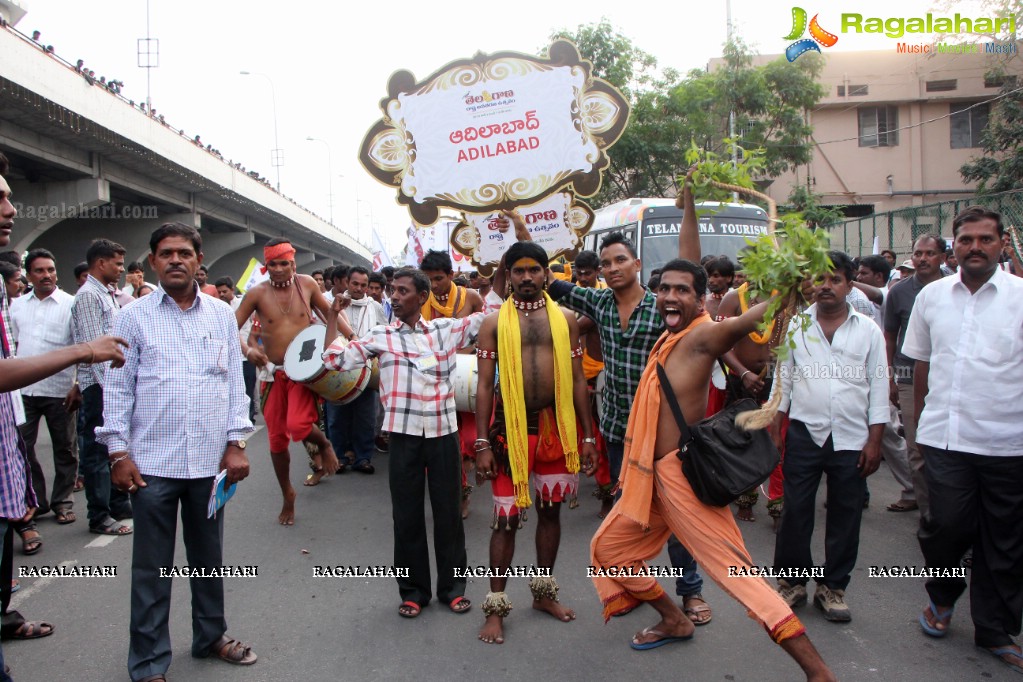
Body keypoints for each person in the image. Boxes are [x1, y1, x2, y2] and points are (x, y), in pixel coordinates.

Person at [588, 258, 834, 681]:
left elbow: (751, 319)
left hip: (680, 479)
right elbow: (689, 250)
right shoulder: (673, 334)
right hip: (651, 478)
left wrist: (787, 290)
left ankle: (818, 673)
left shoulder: (702, 335)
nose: (670, 296)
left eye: (683, 290)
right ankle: (674, 619)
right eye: (664, 287)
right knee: (608, 551)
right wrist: (686, 196)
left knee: (739, 576)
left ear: (699, 300)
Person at [99, 222, 257, 682]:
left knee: (209, 560)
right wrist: (117, 453)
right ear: (152, 262)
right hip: (151, 467)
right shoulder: (132, 317)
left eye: (183, 253)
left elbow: (234, 384)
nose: (174, 260)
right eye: (165, 253)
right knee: (151, 570)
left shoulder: (221, 314)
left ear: (198, 259)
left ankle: (211, 636)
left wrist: (236, 443)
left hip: (210, 466)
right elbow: (117, 387)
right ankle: (149, 663)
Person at [546, 214, 710, 627]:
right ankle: (635, 587)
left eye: (620, 260)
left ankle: (690, 592)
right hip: (618, 428)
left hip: (662, 431)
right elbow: (548, 278)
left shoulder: (662, 305)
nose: (612, 267)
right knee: (629, 514)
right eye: (606, 263)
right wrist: (522, 226)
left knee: (673, 514)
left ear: (637, 265)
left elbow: (693, 265)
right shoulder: (598, 302)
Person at [0, 152, 127, 680]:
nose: (11, 207)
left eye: (10, 195)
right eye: (1, 196)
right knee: (88, 456)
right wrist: (84, 357)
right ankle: (92, 513)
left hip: (31, 398)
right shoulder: (67, 302)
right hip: (46, 389)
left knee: (68, 455)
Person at [903, 207, 1023, 674]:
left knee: (1005, 541)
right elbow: (922, 365)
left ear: (1001, 245)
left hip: (1009, 442)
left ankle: (995, 629)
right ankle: (942, 597)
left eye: (985, 239)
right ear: (954, 246)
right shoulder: (933, 297)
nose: (976, 247)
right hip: (946, 439)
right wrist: (919, 429)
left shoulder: (1020, 297)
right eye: (967, 239)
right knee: (946, 527)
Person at [322, 267, 482, 619]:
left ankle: (453, 590)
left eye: (402, 291)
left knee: (449, 515)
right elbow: (334, 360)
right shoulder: (381, 336)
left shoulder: (445, 330)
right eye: (393, 291)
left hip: (443, 434)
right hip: (404, 438)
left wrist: (484, 281)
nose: (393, 296)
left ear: (422, 298)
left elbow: (489, 319)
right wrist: (333, 318)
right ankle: (413, 592)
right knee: (406, 517)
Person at [473, 241, 598, 644]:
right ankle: (495, 606)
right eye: (518, 271)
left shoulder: (566, 320)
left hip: (555, 427)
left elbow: (579, 381)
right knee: (505, 520)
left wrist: (589, 436)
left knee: (550, 513)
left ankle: (543, 594)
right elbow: (482, 386)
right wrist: (481, 443)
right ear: (507, 276)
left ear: (547, 273)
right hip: (510, 429)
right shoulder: (492, 323)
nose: (526, 277)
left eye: (534, 270)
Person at [771, 251, 888, 623]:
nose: (826, 286)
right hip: (806, 433)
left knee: (845, 513)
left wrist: (875, 441)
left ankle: (833, 586)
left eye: (835, 279)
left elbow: (880, 386)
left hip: (853, 438)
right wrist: (775, 431)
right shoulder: (796, 327)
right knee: (796, 510)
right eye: (819, 279)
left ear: (850, 286)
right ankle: (791, 583)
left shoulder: (867, 329)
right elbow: (783, 382)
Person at [234, 239, 339, 525]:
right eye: (273, 264)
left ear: (294, 264)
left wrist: (355, 341)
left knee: (299, 426)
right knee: (277, 440)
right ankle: (287, 494)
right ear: (266, 266)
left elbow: (331, 313)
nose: (279, 269)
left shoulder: (307, 285)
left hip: (302, 374)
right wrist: (249, 350)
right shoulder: (256, 293)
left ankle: (325, 443)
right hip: (271, 373)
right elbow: (232, 328)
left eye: (284, 263)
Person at [10, 249, 78, 532]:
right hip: (23, 391)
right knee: (22, 449)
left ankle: (62, 502)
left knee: (65, 448)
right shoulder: (16, 306)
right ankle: (36, 500)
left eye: (50, 270)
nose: (46, 275)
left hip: (60, 389)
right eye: (39, 271)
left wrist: (76, 384)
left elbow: (80, 345)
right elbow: (13, 344)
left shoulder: (70, 304)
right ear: (29, 275)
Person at [69, 238, 133, 536]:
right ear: (101, 263)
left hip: (110, 385)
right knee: (96, 453)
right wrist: (113, 392)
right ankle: (99, 516)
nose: (121, 269)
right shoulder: (87, 297)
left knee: (115, 446)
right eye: (118, 263)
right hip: (99, 386)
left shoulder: (106, 294)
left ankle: (118, 503)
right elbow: (95, 351)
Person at [883, 234, 945, 521]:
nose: (922, 259)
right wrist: (891, 378)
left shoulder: (956, 288)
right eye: (918, 253)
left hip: (948, 376)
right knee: (916, 446)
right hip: (909, 376)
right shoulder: (899, 291)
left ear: (942, 257)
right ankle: (930, 514)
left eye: (929, 253)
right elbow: (890, 336)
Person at [419, 250, 484, 517]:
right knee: (444, 445)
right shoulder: (420, 298)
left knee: (469, 439)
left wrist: (475, 351)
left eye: (438, 279)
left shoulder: (471, 297)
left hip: (467, 377)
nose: (433, 286)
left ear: (451, 275)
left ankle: (466, 471)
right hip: (433, 377)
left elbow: (488, 329)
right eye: (428, 280)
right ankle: (461, 495)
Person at [854, 255, 917, 512]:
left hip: (881, 372)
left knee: (887, 434)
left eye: (863, 274)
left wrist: (846, 280)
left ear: (879, 277)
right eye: (856, 274)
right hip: (865, 374)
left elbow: (878, 294)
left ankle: (916, 488)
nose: (859, 278)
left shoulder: (884, 294)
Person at [324, 265, 386, 473]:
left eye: (363, 285)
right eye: (355, 284)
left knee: (366, 416)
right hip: (338, 369)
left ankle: (363, 457)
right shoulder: (335, 304)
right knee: (336, 417)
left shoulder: (375, 307)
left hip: (366, 367)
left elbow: (384, 334)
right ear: (347, 283)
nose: (359, 288)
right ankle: (339, 457)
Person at [571, 249, 613, 517]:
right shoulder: (570, 294)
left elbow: (580, 325)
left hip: (602, 375)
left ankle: (608, 492)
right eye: (580, 273)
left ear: (598, 271)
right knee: (586, 430)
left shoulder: (605, 297)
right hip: (575, 373)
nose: (584, 277)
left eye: (588, 273)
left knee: (602, 432)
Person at [215, 277, 256, 422]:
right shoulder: (217, 308)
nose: (221, 295)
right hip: (228, 357)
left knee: (248, 389)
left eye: (224, 291)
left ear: (232, 290)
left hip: (246, 356)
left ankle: (249, 418)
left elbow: (255, 325)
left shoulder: (244, 304)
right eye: (218, 292)